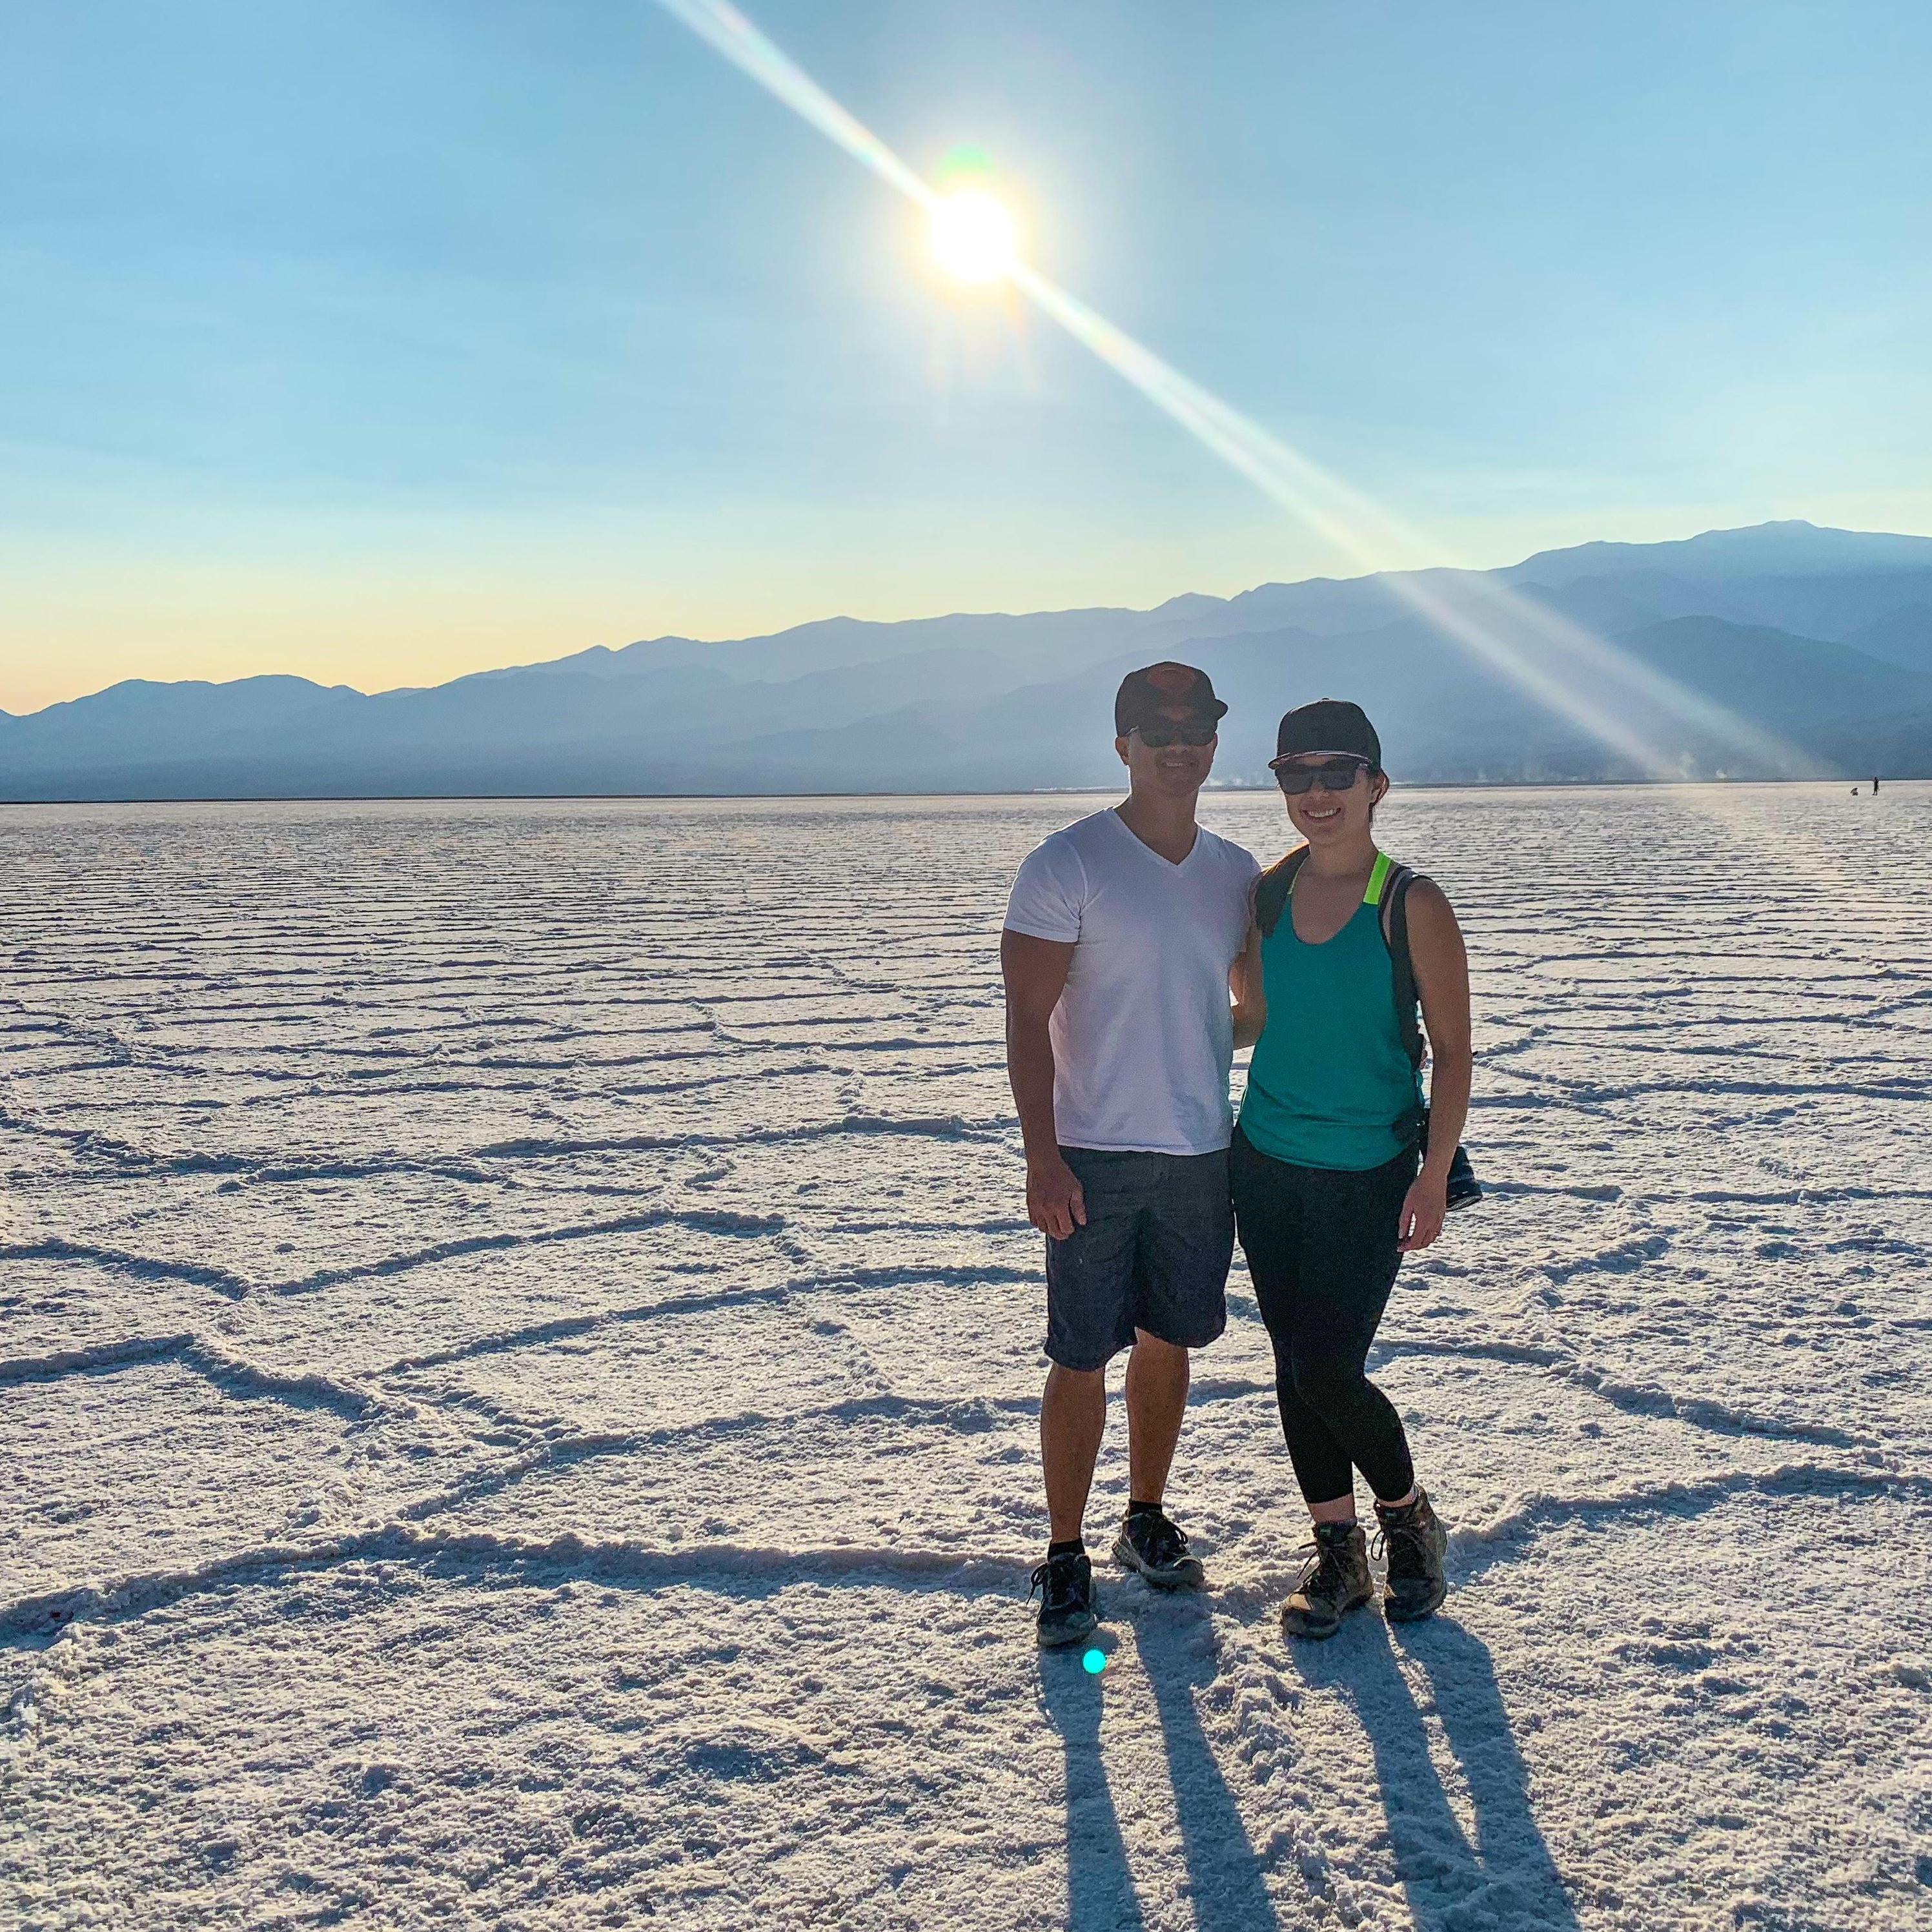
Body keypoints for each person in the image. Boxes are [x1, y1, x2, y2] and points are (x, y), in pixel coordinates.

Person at [1002, 662, 1260, 1647]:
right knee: (1078, 1352)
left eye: (1195, 726)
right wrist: (1042, 1159)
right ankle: (1064, 1556)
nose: (1177, 743)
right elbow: (1027, 1021)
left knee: (1169, 1341)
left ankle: (1142, 1519)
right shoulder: (1066, 863)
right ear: (1121, 744)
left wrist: (1194, 1034)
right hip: (1093, 1155)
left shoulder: (1235, 873)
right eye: (1155, 728)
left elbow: (1252, 1008)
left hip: (1201, 1151)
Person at [1228, 699, 1472, 1640]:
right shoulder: (1268, 894)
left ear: (1376, 783)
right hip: (1265, 1163)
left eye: (1337, 773)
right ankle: (1337, 1555)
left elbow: (1451, 1053)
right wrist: (1148, 1029)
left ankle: (1407, 1517)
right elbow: (1253, 1018)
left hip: (1368, 1170)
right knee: (1295, 1363)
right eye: (1296, 774)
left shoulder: (1410, 902)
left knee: (1330, 1364)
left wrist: (1430, 1174)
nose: (1316, 792)